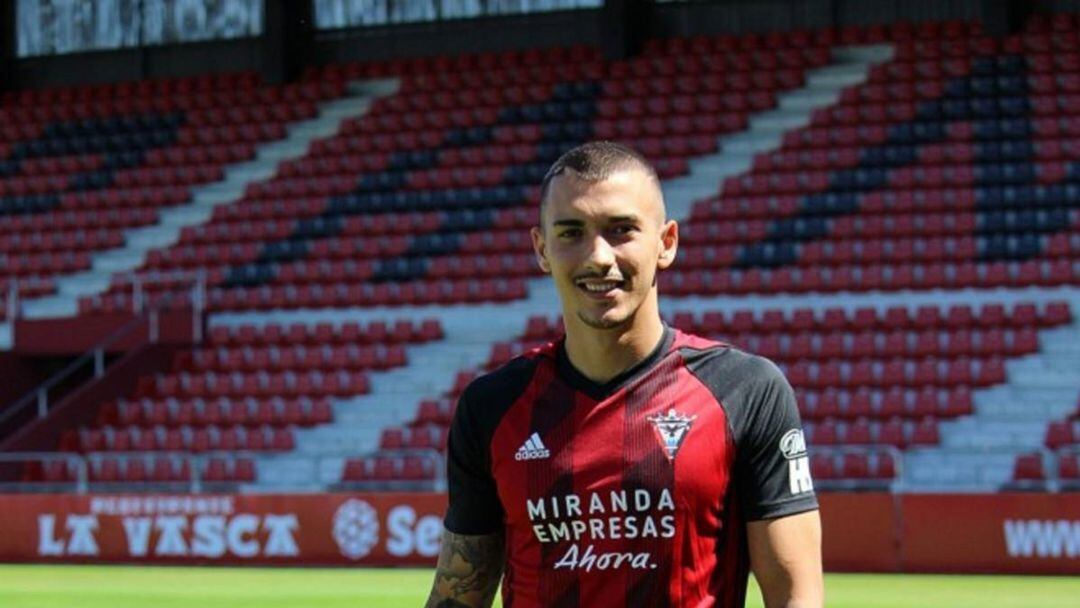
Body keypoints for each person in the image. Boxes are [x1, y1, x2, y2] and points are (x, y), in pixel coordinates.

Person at [424, 141, 823, 608]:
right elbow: (457, 597)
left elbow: (795, 595)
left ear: (666, 243)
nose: (598, 256)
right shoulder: (492, 405)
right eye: (571, 232)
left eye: (621, 230)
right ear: (542, 249)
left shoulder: (747, 390)